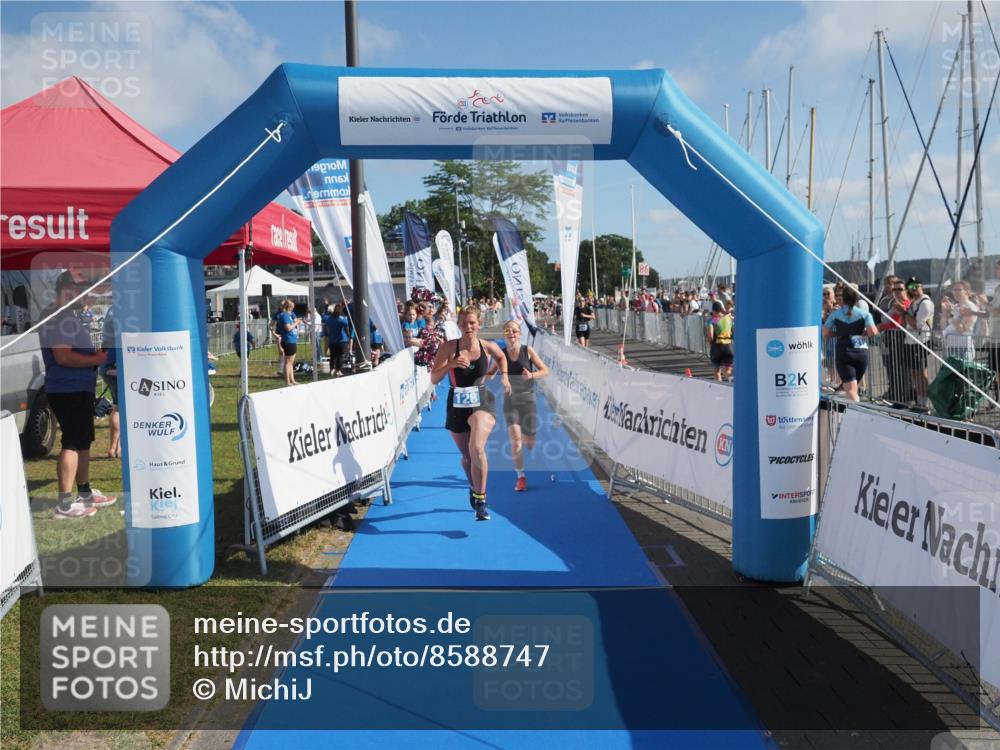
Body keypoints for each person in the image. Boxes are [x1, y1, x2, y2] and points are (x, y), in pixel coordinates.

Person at [39, 272, 116, 518]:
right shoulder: (57, 316)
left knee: (83, 442)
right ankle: (63, 504)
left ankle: (84, 494)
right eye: (84, 290)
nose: (89, 296)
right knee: (72, 442)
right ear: (68, 288)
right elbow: (63, 356)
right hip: (66, 388)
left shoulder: (68, 315)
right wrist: (96, 358)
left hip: (78, 388)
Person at [430, 307, 511, 521]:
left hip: (482, 400)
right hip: (456, 403)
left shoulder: (487, 346)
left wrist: (503, 376)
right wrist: (450, 364)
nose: (468, 327)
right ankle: (473, 486)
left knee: (477, 448)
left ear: (479, 324)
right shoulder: (448, 347)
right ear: (459, 324)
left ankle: (481, 501)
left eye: (472, 323)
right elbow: (433, 378)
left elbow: (502, 357)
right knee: (467, 457)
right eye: (465, 323)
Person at [487, 319, 549, 492]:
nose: (511, 334)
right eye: (507, 331)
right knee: (515, 440)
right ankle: (521, 477)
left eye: (514, 331)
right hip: (510, 402)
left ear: (520, 333)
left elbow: (545, 371)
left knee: (529, 443)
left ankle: (528, 439)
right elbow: (490, 373)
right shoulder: (501, 354)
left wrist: (531, 376)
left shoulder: (527, 351)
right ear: (504, 335)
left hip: (528, 401)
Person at [823, 285, 878, 402]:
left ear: (843, 298)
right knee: (853, 388)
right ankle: (856, 411)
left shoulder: (835, 314)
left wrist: (837, 334)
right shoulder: (865, 314)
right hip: (861, 352)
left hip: (844, 350)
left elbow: (826, 332)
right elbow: (873, 332)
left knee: (851, 390)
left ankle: (858, 413)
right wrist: (861, 333)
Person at [902, 277, 935, 411]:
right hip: (911, 341)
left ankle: (924, 402)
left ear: (922, 286)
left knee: (922, 372)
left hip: (921, 341)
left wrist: (903, 313)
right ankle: (919, 399)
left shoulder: (925, 303)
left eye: (916, 285)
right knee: (915, 372)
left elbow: (917, 325)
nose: (914, 288)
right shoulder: (914, 302)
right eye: (911, 287)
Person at [99, 306, 121, 458]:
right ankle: (114, 448)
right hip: (115, 364)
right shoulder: (121, 312)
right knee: (120, 408)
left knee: (117, 406)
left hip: (108, 362)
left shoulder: (111, 310)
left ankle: (116, 447)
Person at [705, 301, 734, 382]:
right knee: (727, 372)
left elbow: (710, 336)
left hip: (717, 347)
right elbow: (734, 332)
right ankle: (732, 383)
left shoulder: (712, 321)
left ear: (714, 310)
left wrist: (709, 342)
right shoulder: (729, 319)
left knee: (717, 372)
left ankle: (718, 389)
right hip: (728, 347)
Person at [275, 299, 301, 386]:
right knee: (288, 362)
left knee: (291, 362)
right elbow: (288, 328)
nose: (293, 309)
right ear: (289, 307)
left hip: (292, 339)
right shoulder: (284, 315)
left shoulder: (289, 315)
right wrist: (296, 323)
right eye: (292, 307)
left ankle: (292, 380)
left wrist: (296, 322)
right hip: (288, 340)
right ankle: (287, 381)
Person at [325, 301, 352, 377]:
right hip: (341, 340)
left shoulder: (329, 319)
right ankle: (338, 370)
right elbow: (347, 329)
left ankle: (331, 370)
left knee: (332, 356)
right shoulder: (342, 319)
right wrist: (349, 336)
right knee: (340, 356)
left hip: (332, 340)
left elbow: (327, 328)